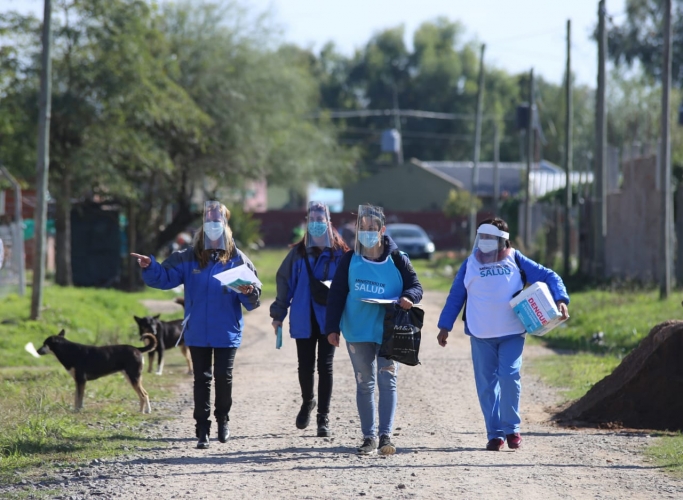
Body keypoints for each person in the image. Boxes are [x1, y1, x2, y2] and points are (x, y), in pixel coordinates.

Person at [131, 201, 261, 449]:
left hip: (226, 331)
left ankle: (223, 419)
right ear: (203, 224)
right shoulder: (188, 257)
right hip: (197, 331)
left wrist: (249, 291)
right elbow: (165, 278)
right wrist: (150, 267)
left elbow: (253, 297)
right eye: (209, 220)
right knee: (201, 379)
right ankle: (202, 429)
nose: (213, 225)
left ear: (225, 224)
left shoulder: (236, 258)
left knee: (224, 377)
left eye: (217, 220)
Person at [436, 217, 569, 451]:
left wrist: (561, 299)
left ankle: (512, 429)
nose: (485, 242)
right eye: (482, 237)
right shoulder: (470, 264)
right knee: (486, 384)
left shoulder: (516, 259)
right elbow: (456, 295)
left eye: (490, 237)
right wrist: (445, 326)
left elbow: (549, 276)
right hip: (480, 334)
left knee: (509, 376)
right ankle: (495, 434)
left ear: (503, 240)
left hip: (512, 332)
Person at [325, 204, 423, 456]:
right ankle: (368, 437)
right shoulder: (350, 259)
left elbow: (415, 286)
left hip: (389, 331)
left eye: (372, 228)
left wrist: (409, 297)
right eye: (362, 228)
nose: (367, 232)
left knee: (387, 380)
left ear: (382, 229)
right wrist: (332, 328)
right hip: (357, 331)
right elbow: (336, 294)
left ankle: (385, 436)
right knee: (364, 384)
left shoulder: (398, 259)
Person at [270, 202, 350, 437]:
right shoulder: (297, 253)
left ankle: (323, 418)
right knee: (305, 366)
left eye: (320, 218)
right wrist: (278, 314)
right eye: (312, 219)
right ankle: (308, 402)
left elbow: (349, 286)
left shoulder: (340, 253)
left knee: (325, 367)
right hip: (303, 317)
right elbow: (284, 284)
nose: (316, 223)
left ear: (328, 221)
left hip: (329, 320)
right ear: (307, 221)